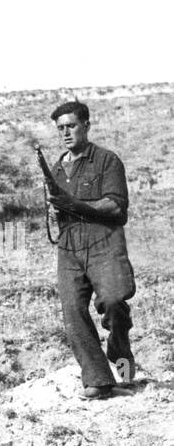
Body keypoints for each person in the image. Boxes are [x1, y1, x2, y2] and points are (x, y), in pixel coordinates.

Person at [46, 101, 137, 399]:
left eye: (71, 125)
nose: (66, 133)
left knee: (113, 301)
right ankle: (98, 380)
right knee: (72, 312)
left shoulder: (107, 161)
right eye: (61, 128)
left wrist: (77, 205)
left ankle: (120, 353)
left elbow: (115, 204)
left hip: (103, 241)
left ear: (86, 125)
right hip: (70, 246)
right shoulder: (58, 168)